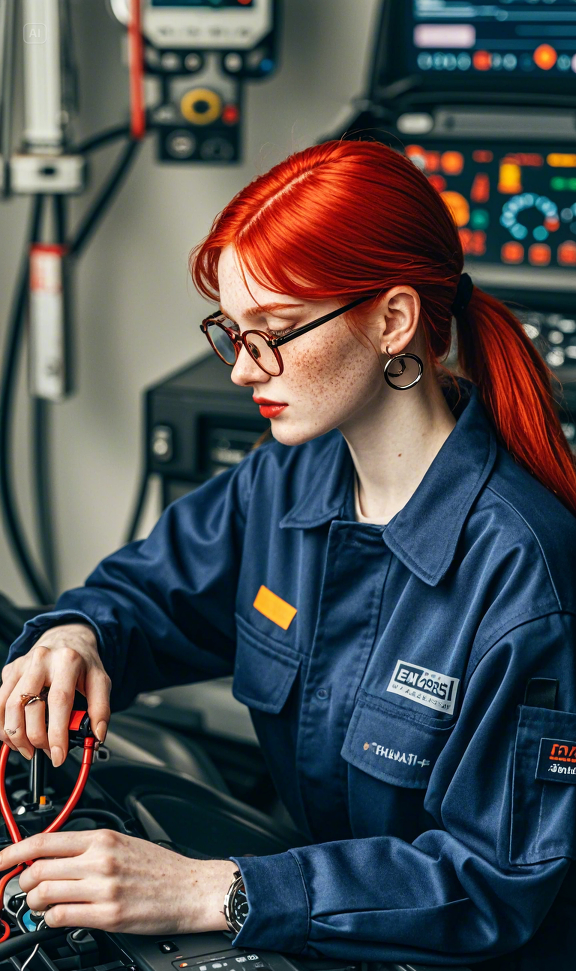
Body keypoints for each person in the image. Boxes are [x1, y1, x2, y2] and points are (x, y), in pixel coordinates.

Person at [1, 139, 576, 970]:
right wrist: (75, 636)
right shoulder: (285, 478)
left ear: (392, 320)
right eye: (232, 332)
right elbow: (152, 595)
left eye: (271, 334)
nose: (241, 368)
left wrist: (218, 890)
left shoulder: (525, 572)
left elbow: (491, 880)